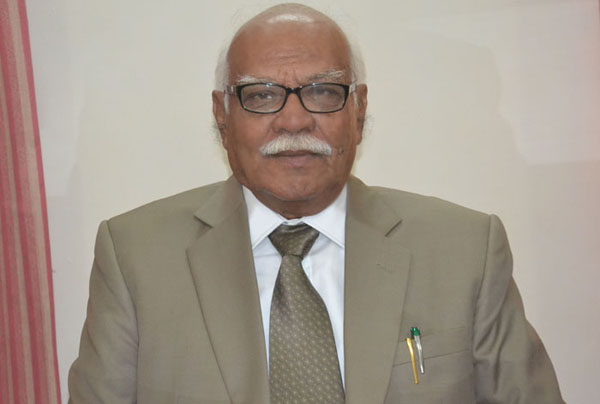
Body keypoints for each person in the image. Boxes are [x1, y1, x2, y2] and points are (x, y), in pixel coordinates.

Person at [68, 3, 565, 403]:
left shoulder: (465, 250)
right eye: (262, 95)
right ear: (222, 115)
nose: (293, 120)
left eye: (323, 92)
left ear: (359, 110)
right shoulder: (135, 258)